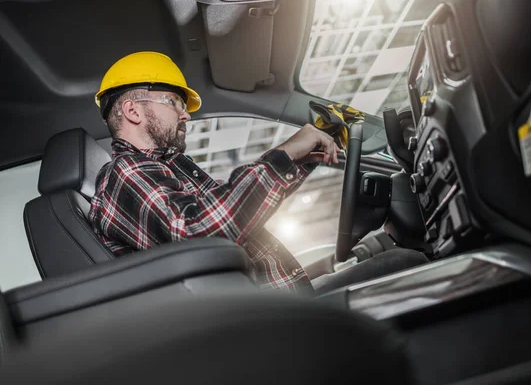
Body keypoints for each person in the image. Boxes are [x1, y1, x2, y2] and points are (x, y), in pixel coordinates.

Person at [89, 51, 428, 296]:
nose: (186, 115)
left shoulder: (165, 169)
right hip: (267, 326)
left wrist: (300, 161)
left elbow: (235, 214)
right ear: (132, 110)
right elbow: (199, 234)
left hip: (277, 307)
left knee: (395, 260)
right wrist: (284, 155)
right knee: (404, 263)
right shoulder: (123, 175)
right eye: (174, 102)